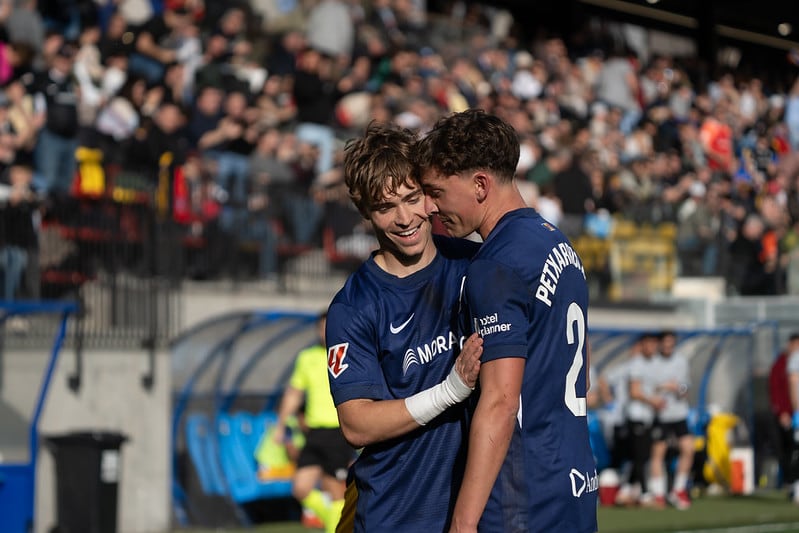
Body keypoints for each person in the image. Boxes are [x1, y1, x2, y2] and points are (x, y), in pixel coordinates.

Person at [416, 108, 597, 533]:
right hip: (575, 484)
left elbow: (500, 401)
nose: (430, 207)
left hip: (523, 498)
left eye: (437, 191)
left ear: (480, 184)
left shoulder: (496, 265)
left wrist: (463, 523)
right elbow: (583, 373)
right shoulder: (558, 243)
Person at [326, 121, 483, 532]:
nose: (404, 218)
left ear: (429, 196)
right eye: (384, 207)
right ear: (365, 213)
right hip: (394, 515)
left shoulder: (475, 264)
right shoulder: (354, 306)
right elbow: (356, 424)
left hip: (478, 511)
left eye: (412, 198)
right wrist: (451, 390)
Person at [272, 311, 351, 533]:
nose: (325, 333)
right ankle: (332, 519)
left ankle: (336, 525)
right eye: (321, 328)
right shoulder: (307, 358)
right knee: (300, 488)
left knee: (335, 489)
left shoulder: (347, 354)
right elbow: (294, 393)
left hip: (339, 431)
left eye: (329, 328)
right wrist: (280, 424)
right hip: (314, 433)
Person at [648, 330, 695, 509]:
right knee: (658, 452)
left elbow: (685, 387)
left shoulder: (681, 361)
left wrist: (677, 387)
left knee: (688, 448)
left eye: (671, 343)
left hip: (679, 414)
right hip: (661, 415)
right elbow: (648, 388)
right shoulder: (653, 362)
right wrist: (662, 387)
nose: (668, 347)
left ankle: (678, 489)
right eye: (665, 343)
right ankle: (659, 494)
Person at [770, 332, 799, 503]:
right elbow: (786, 389)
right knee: (792, 451)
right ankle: (794, 487)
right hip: (790, 414)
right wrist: (786, 411)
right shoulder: (785, 362)